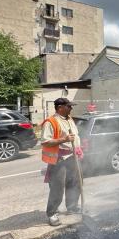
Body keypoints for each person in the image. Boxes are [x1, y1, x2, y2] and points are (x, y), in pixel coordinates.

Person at [41, 97, 84, 226]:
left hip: (73, 157)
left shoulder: (69, 119)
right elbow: (45, 141)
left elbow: (75, 137)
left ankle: (71, 207)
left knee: (75, 183)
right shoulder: (51, 122)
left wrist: (78, 149)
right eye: (69, 106)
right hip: (59, 160)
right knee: (57, 188)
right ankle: (52, 213)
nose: (71, 108)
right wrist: (64, 139)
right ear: (60, 107)